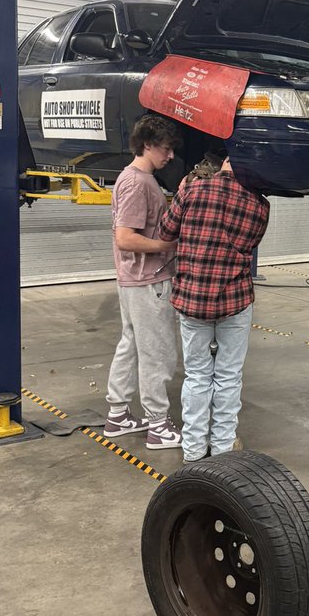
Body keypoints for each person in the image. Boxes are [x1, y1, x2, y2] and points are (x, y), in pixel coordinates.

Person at [158, 157, 269, 462]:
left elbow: (166, 233)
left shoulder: (192, 190)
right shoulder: (260, 205)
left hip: (193, 299)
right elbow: (251, 244)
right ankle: (222, 449)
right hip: (234, 299)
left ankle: (193, 451)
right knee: (229, 376)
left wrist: (182, 192)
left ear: (223, 163)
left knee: (197, 376)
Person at [104, 114, 183, 450]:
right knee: (158, 354)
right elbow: (126, 238)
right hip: (148, 281)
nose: (171, 156)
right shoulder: (138, 183)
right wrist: (168, 246)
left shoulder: (130, 177)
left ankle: (118, 416)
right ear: (148, 144)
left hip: (131, 280)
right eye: (165, 149)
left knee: (132, 345)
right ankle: (158, 426)